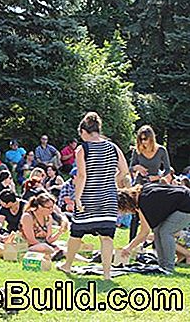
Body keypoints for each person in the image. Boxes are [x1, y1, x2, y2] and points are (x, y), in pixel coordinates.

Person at [59, 112, 130, 280]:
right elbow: (125, 171)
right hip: (108, 198)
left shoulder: (82, 149)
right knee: (107, 237)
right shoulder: (113, 147)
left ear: (84, 131)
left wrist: (77, 198)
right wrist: (112, 181)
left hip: (88, 198)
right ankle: (106, 274)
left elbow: (82, 176)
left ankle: (67, 265)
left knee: (76, 233)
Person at [119, 183, 190, 272]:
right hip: (183, 200)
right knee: (158, 231)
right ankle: (162, 265)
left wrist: (129, 248)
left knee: (166, 232)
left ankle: (168, 267)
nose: (127, 212)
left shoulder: (144, 202)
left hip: (186, 205)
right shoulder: (142, 192)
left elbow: (144, 232)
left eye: (125, 210)